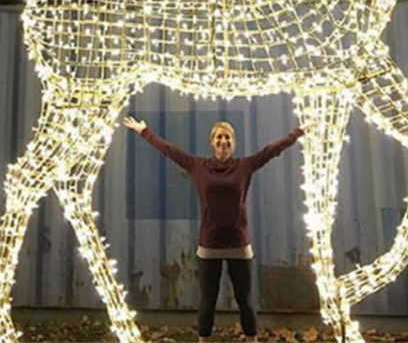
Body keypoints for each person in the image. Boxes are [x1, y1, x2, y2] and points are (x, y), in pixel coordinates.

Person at [123, 115, 305, 343]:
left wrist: (298, 132)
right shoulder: (198, 166)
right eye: (219, 137)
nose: (223, 141)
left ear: (233, 142)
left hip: (239, 245)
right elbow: (169, 150)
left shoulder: (244, 166)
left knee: (245, 300)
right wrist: (144, 131)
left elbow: (272, 150)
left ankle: (251, 340)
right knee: (207, 301)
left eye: (227, 137)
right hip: (209, 245)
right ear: (212, 142)